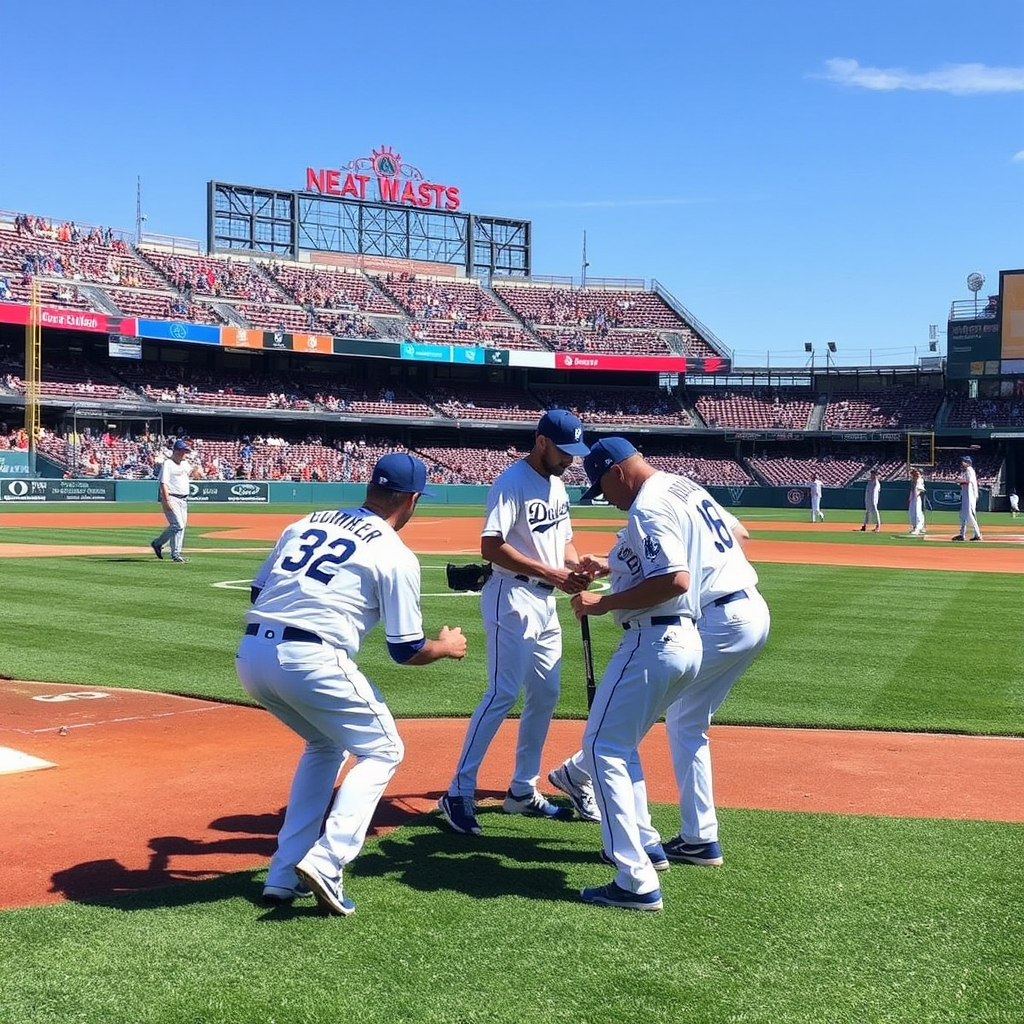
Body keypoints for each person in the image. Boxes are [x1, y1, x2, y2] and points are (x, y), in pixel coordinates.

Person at [235, 453, 467, 916]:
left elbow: (259, 591)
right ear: (411, 500)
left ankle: (283, 874)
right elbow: (406, 649)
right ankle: (329, 858)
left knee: (324, 745)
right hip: (311, 658)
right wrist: (446, 646)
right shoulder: (394, 553)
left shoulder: (308, 520)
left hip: (251, 654)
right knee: (384, 750)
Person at [550, 438, 770, 889]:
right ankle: (699, 838)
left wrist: (605, 601)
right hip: (748, 606)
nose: (606, 500)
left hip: (713, 616)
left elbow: (675, 578)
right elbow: (738, 533)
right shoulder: (682, 485)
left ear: (617, 472)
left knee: (627, 722)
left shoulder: (646, 506)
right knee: (685, 721)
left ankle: (584, 779)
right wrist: (616, 562)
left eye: (602, 488)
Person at [437, 409, 591, 836]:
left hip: (545, 602)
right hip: (513, 597)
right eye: (564, 451)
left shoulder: (557, 485)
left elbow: (563, 541)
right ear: (542, 441)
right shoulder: (511, 482)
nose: (570, 460)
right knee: (502, 692)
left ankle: (523, 790)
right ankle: (458, 790)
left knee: (546, 693)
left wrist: (575, 568)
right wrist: (552, 573)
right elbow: (490, 546)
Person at [151, 439, 202, 562]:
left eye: (186, 451)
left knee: (181, 527)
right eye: (184, 451)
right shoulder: (168, 464)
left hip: (183, 499)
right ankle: (158, 543)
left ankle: (176, 554)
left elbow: (196, 475)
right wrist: (166, 500)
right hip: (172, 497)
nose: (185, 453)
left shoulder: (185, 464)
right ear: (177, 451)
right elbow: (163, 483)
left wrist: (197, 468)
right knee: (177, 524)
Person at [952, 455, 983, 541]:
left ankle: (977, 534)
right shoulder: (965, 471)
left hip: (970, 495)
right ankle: (962, 534)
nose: (962, 463)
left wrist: (958, 480)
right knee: (963, 515)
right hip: (966, 494)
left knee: (969, 514)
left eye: (964, 461)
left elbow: (968, 481)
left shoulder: (969, 470)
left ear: (968, 463)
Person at [860, 468, 881, 533]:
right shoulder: (869, 482)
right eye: (872, 474)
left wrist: (873, 501)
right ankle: (865, 525)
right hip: (868, 499)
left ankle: (878, 525)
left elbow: (875, 492)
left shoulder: (877, 483)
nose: (872, 476)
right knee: (867, 512)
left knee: (875, 511)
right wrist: (866, 500)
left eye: (874, 474)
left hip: (873, 499)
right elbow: (867, 492)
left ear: (876, 475)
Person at [908, 467, 926, 535]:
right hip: (913, 498)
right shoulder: (913, 480)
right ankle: (914, 527)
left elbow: (921, 490)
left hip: (917, 498)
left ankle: (918, 528)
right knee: (911, 512)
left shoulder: (920, 480)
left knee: (917, 513)